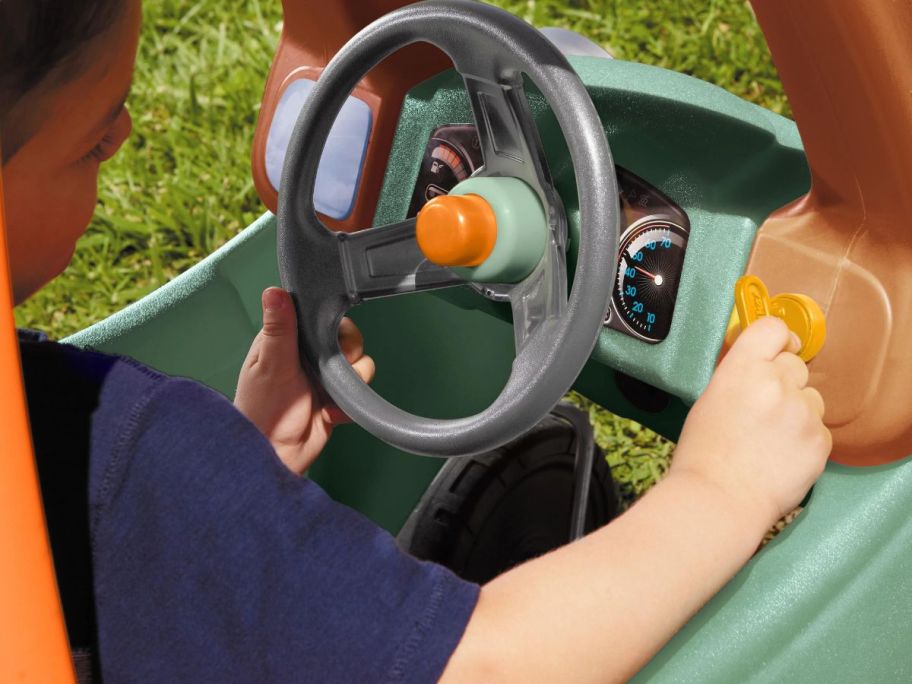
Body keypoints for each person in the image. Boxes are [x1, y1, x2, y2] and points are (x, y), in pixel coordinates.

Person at [0, 0, 831, 681]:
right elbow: (486, 668)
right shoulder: (130, 449)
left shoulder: (75, 445)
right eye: (96, 137)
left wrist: (231, 471)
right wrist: (720, 489)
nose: (126, 136)